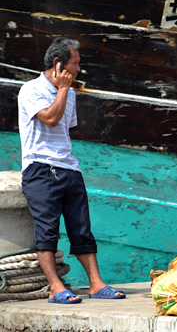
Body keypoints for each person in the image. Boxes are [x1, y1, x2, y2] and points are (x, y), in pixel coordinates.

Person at [17, 37, 125, 304]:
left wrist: (66, 91)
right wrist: (63, 90)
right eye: (75, 63)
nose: (79, 69)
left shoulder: (72, 93)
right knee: (47, 232)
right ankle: (55, 287)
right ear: (58, 64)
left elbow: (65, 131)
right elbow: (52, 119)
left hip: (69, 168)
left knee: (82, 229)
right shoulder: (30, 90)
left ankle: (96, 284)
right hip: (40, 170)